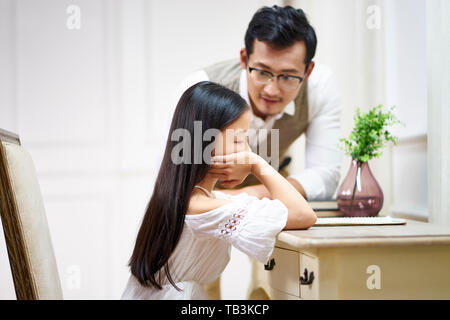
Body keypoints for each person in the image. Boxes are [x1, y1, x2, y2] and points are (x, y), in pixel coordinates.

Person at [171, 5, 342, 299]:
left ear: (308, 71)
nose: (272, 90)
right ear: (244, 58)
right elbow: (179, 176)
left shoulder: (321, 87)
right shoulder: (200, 88)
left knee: (272, 275)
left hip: (277, 177)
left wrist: (260, 188)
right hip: (203, 189)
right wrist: (234, 196)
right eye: (262, 72)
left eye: (288, 76)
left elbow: (326, 172)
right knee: (200, 275)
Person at [121, 81, 316, 299]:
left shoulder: (193, 199)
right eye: (238, 140)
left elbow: (258, 198)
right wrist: (257, 164)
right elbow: (304, 215)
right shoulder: (202, 208)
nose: (246, 150)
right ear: (203, 142)